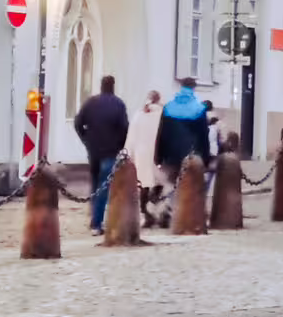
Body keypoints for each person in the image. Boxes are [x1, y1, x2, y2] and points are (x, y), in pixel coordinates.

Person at [73, 74, 129, 234]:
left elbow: (78, 122)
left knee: (95, 183)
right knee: (104, 185)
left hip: (93, 150)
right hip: (110, 151)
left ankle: (94, 216)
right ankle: (96, 223)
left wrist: (86, 139)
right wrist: (120, 146)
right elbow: (125, 128)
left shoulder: (91, 103)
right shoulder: (118, 104)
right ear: (113, 86)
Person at [153, 78, 213, 220]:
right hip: (192, 154)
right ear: (193, 88)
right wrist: (205, 157)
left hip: (170, 153)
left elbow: (161, 133)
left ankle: (171, 211)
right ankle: (186, 214)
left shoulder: (168, 107)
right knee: (190, 184)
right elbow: (203, 135)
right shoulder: (198, 108)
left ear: (181, 87)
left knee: (171, 182)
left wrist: (159, 155)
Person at [130, 90, 164, 227]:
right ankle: (154, 208)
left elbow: (133, 134)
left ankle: (145, 211)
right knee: (159, 182)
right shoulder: (161, 113)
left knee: (144, 184)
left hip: (141, 152)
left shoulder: (139, 113)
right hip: (156, 152)